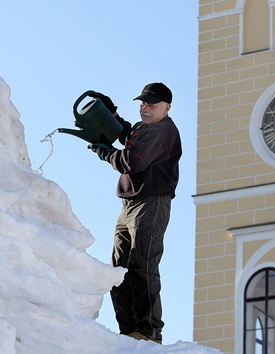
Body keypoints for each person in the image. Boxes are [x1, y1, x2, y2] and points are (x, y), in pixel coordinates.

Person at [87, 82, 181, 344]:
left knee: (144, 265)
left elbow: (132, 161)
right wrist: (113, 116)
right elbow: (130, 135)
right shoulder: (145, 127)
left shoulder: (164, 132)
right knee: (119, 268)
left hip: (151, 204)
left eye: (151, 104)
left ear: (167, 107)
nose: (145, 108)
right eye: (142, 103)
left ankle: (150, 331)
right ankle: (129, 330)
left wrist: (107, 154)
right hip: (129, 205)